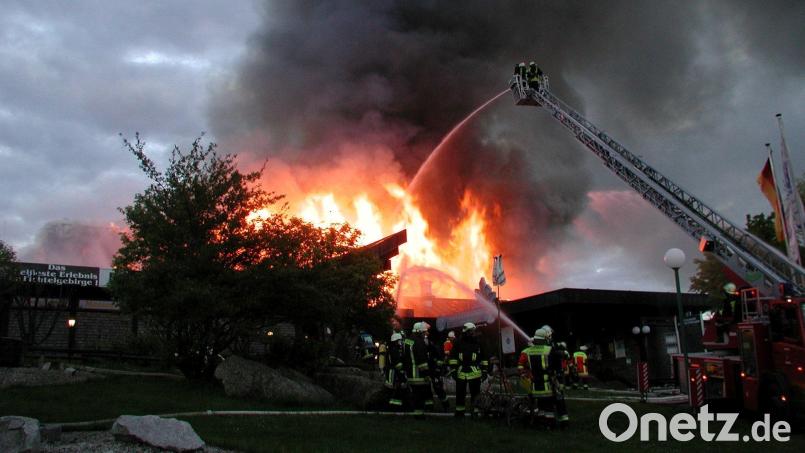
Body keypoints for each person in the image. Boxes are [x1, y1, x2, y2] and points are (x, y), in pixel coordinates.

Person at [518, 327, 569, 426]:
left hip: (535, 386)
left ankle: (541, 422)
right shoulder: (549, 350)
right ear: (545, 339)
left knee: (541, 406)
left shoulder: (527, 351)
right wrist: (560, 382)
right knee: (551, 405)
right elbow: (559, 363)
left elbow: (522, 367)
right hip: (547, 385)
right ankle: (554, 423)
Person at [449, 322, 489, 418]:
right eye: (472, 331)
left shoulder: (478, 342)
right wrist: (453, 370)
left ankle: (474, 412)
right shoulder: (458, 342)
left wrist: (484, 371)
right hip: (461, 371)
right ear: (467, 332)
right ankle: (459, 412)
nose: (474, 333)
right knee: (460, 393)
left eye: (474, 331)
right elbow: (453, 357)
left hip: (475, 372)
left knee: (475, 393)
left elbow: (484, 357)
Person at [403, 322, 432, 418]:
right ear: (418, 331)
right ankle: (419, 415)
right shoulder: (419, 342)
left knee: (415, 394)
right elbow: (422, 359)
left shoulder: (407, 340)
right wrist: (426, 374)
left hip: (410, 373)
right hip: (419, 374)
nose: (425, 334)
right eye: (424, 332)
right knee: (420, 395)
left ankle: (416, 412)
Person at [422, 323, 449, 411]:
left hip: (434, 371)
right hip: (427, 370)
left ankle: (446, 405)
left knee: (438, 388)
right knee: (426, 389)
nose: (427, 334)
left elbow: (439, 358)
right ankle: (429, 407)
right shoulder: (421, 344)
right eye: (425, 332)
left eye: (426, 332)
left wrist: (438, 370)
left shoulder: (432, 344)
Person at [385, 332, 407, 409]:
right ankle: (392, 405)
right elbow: (398, 364)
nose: (401, 342)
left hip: (393, 371)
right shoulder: (394, 350)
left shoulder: (393, 349)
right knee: (393, 388)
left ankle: (393, 405)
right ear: (395, 341)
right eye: (399, 340)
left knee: (394, 388)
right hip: (393, 371)